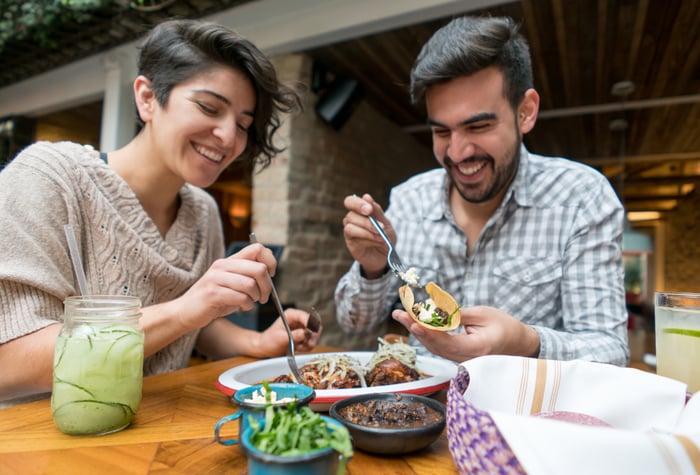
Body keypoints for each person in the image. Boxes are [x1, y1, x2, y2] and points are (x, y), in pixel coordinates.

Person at [0, 19, 321, 406]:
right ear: (147, 97)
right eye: (208, 107)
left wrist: (258, 341)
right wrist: (190, 307)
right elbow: (10, 361)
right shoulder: (49, 176)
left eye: (243, 124)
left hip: (160, 430)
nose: (229, 137)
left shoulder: (202, 211)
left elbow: (191, 327)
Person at [335, 15, 629, 366]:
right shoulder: (409, 200)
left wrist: (526, 341)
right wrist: (373, 269)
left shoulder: (581, 198)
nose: (458, 154)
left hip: (521, 415)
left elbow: (611, 352)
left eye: (478, 126)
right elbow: (353, 322)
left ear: (526, 112)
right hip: (423, 411)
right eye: (442, 132)